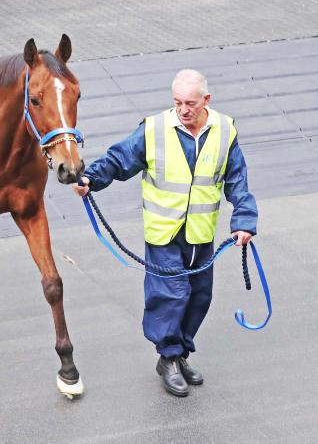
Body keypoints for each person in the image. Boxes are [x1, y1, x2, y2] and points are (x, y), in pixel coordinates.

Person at [72, 69, 258, 398]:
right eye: (177, 103)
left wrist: (243, 220)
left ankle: (181, 352)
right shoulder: (155, 129)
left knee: (200, 296)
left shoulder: (224, 131)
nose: (183, 110)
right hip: (164, 233)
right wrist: (91, 178)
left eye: (190, 103)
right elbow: (120, 159)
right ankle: (168, 357)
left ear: (206, 100)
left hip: (201, 234)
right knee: (171, 295)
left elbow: (237, 179)